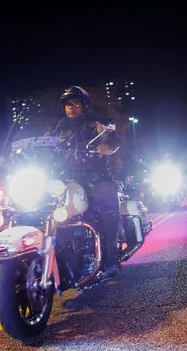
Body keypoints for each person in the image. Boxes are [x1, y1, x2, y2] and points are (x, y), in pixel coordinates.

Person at [46, 86, 122, 278]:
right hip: (66, 180)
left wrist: (106, 144)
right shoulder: (57, 128)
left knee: (107, 204)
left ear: (83, 106)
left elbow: (110, 137)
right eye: (67, 104)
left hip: (95, 177)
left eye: (75, 103)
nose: (71, 107)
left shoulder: (93, 125)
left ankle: (111, 258)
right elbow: (43, 144)